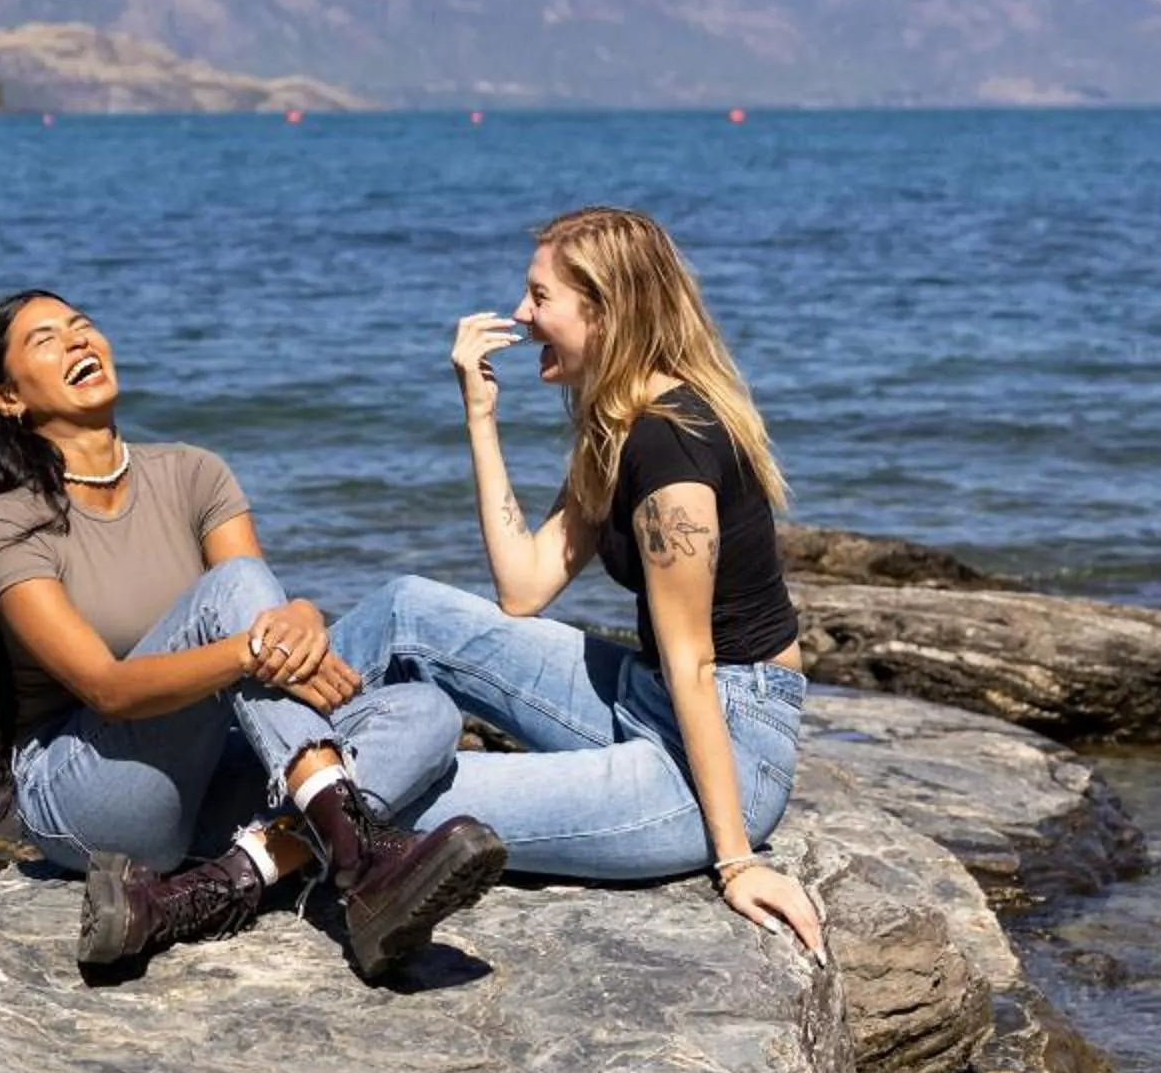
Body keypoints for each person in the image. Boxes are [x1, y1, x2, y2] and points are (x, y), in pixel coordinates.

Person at [0, 287, 505, 982]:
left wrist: (301, 615)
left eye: (83, 325)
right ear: (7, 399)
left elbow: (259, 617)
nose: (79, 340)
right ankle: (359, 861)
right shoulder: (10, 518)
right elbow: (107, 689)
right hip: (83, 788)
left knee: (427, 713)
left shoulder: (193, 472)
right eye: (47, 339)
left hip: (197, 784)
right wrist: (250, 650)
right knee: (231, 596)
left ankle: (217, 887)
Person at [328, 206, 824, 955]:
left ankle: (238, 803)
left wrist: (736, 863)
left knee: (416, 787)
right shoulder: (620, 423)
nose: (521, 316)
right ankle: (263, 737)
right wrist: (480, 416)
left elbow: (694, 661)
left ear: (604, 311)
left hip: (726, 744)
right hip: (649, 698)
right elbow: (524, 588)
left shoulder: (669, 446)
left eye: (539, 297)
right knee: (407, 610)